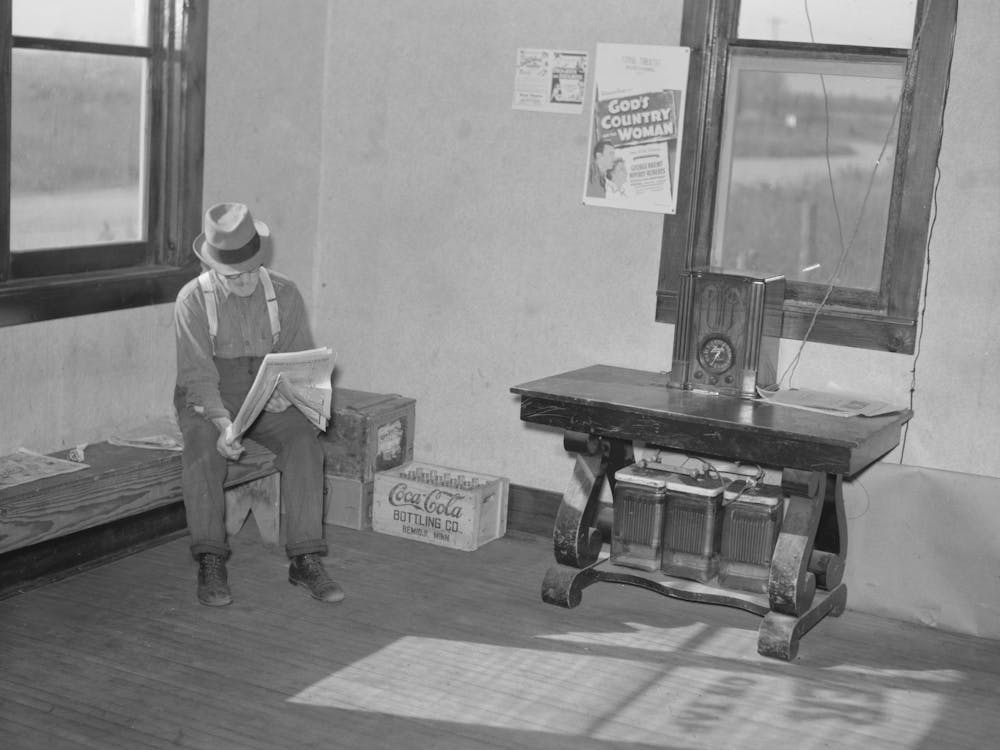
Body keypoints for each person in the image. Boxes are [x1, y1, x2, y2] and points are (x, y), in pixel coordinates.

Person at [173, 202, 343, 607]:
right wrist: (221, 424)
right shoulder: (192, 300)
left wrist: (292, 393)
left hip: (267, 389)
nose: (246, 280)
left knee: (305, 442)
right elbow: (197, 377)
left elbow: (297, 358)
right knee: (201, 450)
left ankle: (305, 558)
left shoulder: (283, 292)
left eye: (251, 269)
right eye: (234, 275)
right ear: (213, 266)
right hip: (212, 392)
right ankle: (211, 559)